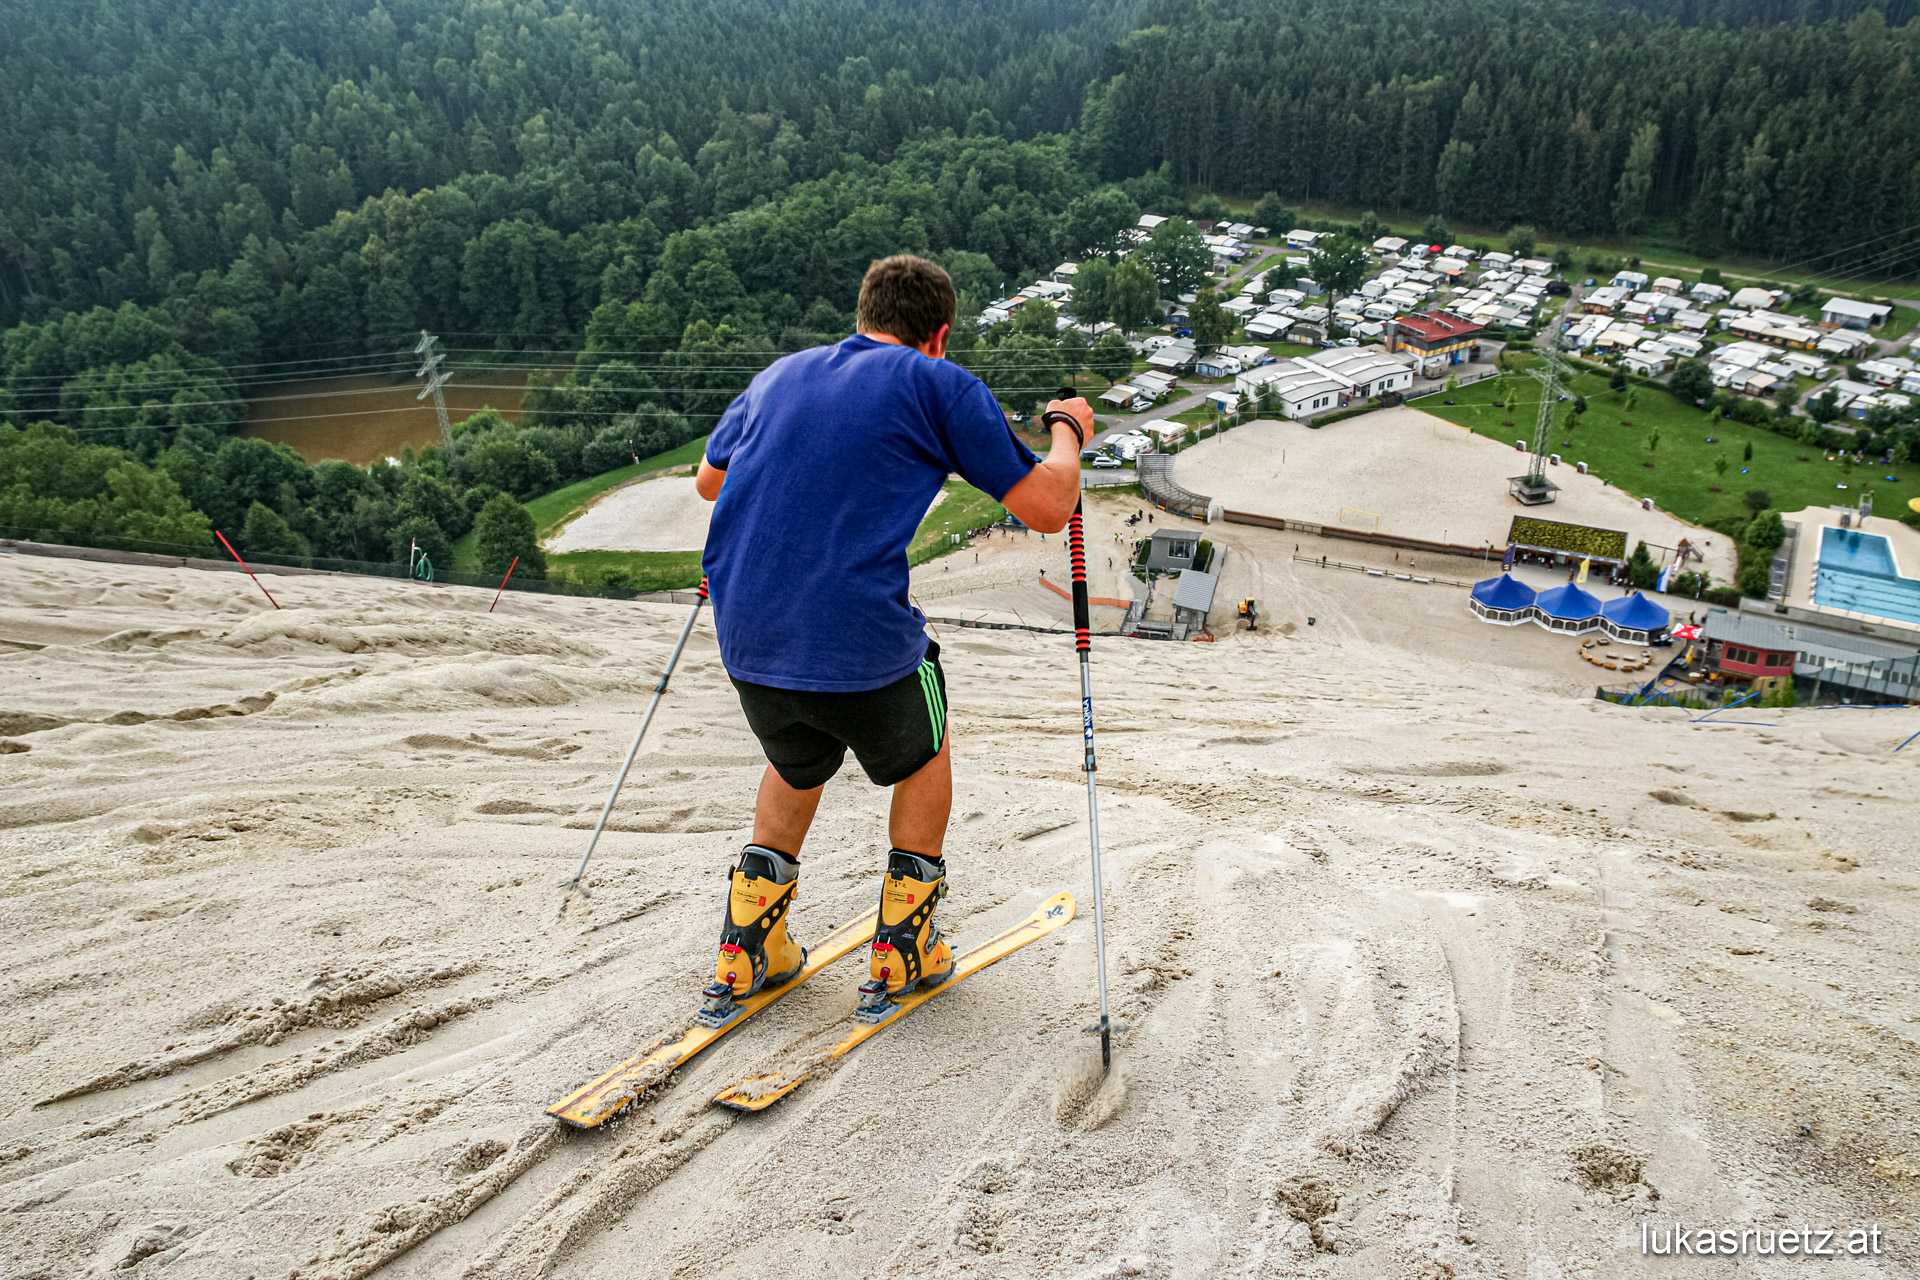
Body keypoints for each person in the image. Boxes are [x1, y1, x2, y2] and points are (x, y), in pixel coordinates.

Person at [693, 255, 1090, 1016]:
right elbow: (1046, 507)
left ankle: (747, 951)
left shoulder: (780, 376)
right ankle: (904, 949)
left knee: (798, 758)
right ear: (938, 335)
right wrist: (1069, 432)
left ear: (862, 315)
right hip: (860, 640)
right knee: (926, 735)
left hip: (748, 641)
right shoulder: (939, 385)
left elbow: (710, 483)